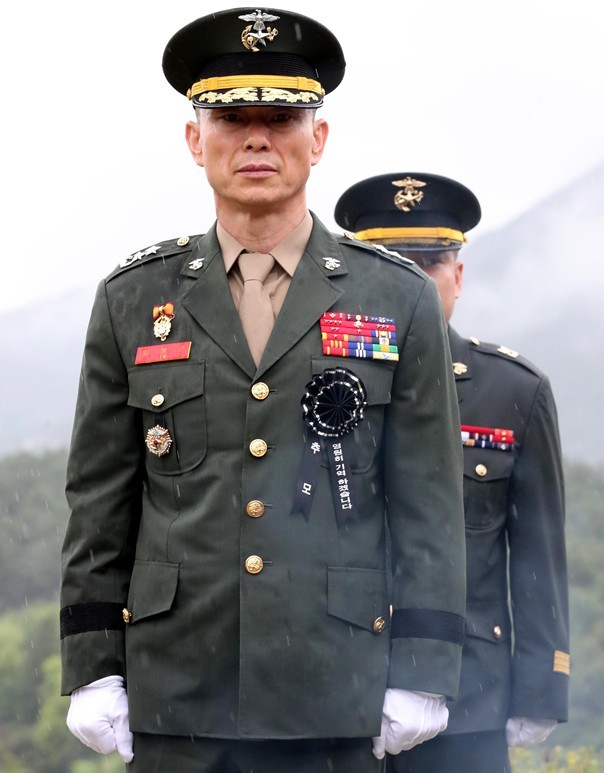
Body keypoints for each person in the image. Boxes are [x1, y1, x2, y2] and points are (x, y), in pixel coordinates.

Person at [59, 11, 467, 772]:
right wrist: (91, 661)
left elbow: (429, 503)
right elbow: (100, 500)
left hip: (335, 685)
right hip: (176, 687)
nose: (256, 140)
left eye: (280, 118)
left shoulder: (396, 296)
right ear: (195, 139)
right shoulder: (132, 298)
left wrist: (424, 667)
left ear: (318, 138)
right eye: (231, 119)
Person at [334, 172, 570, 772]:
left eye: (429, 263)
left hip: (468, 695)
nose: (413, 280)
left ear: (457, 277)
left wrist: (541, 683)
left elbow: (537, 552)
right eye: (392, 264)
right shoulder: (318, 386)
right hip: (333, 688)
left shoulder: (512, 390)